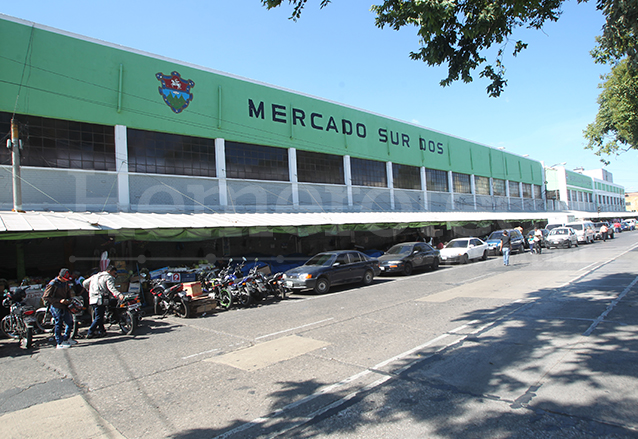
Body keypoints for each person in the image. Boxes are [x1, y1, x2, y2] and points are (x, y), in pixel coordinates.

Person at [83, 264, 123, 339]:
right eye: (114, 273)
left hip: (92, 298)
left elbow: (85, 283)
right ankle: (90, 332)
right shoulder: (108, 277)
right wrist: (119, 295)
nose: (115, 275)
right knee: (98, 317)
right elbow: (111, 288)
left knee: (99, 315)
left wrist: (89, 290)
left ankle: (102, 330)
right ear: (109, 271)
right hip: (100, 299)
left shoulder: (95, 276)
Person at [42, 268, 77, 349]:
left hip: (65, 306)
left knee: (69, 322)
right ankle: (59, 342)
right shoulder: (53, 283)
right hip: (56, 307)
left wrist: (69, 299)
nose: (66, 281)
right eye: (65, 279)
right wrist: (59, 300)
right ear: (60, 277)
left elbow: (68, 292)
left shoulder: (66, 283)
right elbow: (46, 297)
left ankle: (66, 338)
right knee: (59, 324)